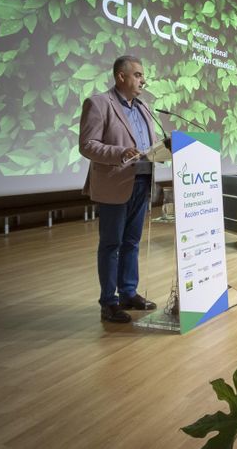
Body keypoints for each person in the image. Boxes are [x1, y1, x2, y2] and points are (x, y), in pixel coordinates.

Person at [79, 55, 158, 323]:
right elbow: (87, 145)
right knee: (111, 244)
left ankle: (128, 293)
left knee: (131, 242)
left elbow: (151, 143)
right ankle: (109, 302)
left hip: (142, 181)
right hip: (115, 183)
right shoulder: (99, 103)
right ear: (120, 77)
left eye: (142, 75)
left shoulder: (145, 107)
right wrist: (121, 152)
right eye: (137, 75)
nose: (142, 80)